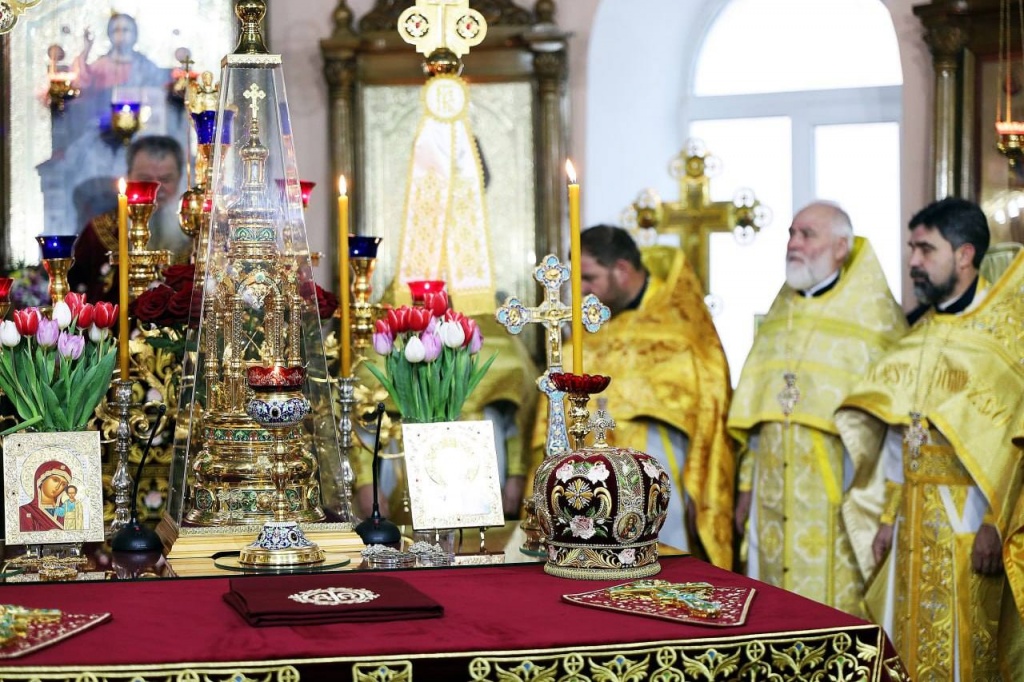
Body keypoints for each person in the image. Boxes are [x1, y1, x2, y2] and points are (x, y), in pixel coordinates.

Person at [836, 196, 1023, 679]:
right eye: (911, 249)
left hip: (972, 521)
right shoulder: (919, 331)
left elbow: (1015, 443)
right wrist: (887, 515)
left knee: (967, 647)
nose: (914, 261)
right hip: (912, 518)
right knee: (905, 640)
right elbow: (900, 433)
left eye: (926, 249)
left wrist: (995, 524)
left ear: (964, 255)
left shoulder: (1007, 335)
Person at [727, 201, 906, 617]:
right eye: (791, 233)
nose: (794, 243)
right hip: (771, 491)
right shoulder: (779, 315)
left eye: (807, 234)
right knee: (771, 604)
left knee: (830, 604)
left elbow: (891, 424)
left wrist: (885, 509)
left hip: (836, 491)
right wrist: (746, 487)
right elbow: (757, 416)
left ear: (841, 247)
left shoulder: (875, 317)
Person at [532, 225, 735, 568]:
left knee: (661, 558)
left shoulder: (679, 319)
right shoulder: (592, 322)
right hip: (588, 466)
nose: (581, 291)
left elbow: (709, 399)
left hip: (658, 460)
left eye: (590, 278)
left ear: (622, 270)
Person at [69, 135, 188, 303]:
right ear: (128, 177)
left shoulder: (194, 234)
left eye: (165, 179)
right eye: (145, 179)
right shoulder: (99, 232)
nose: (155, 188)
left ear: (180, 178)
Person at [71, 13, 167, 91]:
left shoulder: (146, 66)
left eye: (126, 30)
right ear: (109, 35)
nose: (121, 34)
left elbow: (160, 90)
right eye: (116, 30)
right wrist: (87, 49)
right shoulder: (101, 66)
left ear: (135, 35)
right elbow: (80, 82)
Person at [19, 460, 73, 532]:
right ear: (41, 480)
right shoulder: (25, 511)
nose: (58, 487)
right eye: (55, 480)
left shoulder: (66, 510)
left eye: (63, 484)